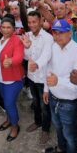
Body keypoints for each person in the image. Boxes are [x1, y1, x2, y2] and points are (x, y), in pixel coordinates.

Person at [43, 19, 77, 153]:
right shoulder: (53, 47)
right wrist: (46, 89)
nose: (57, 36)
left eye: (61, 33)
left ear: (70, 33)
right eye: (54, 33)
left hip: (69, 102)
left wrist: (59, 81)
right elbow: (48, 68)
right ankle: (62, 148)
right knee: (57, 126)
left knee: (70, 134)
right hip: (53, 96)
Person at [0, 16, 25, 142]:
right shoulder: (0, 39)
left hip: (13, 79)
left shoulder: (16, 40)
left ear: (14, 29)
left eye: (8, 27)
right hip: (0, 78)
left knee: (9, 103)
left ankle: (15, 126)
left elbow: (19, 57)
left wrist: (10, 61)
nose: (5, 30)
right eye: (3, 27)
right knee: (6, 102)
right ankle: (9, 119)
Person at [22, 11, 53, 144]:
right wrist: (27, 47)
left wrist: (37, 64)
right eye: (29, 22)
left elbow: (47, 56)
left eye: (34, 22)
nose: (32, 25)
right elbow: (25, 56)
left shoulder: (48, 38)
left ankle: (45, 129)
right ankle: (37, 122)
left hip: (43, 78)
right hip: (31, 76)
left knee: (45, 105)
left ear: (41, 21)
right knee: (35, 102)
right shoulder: (27, 35)